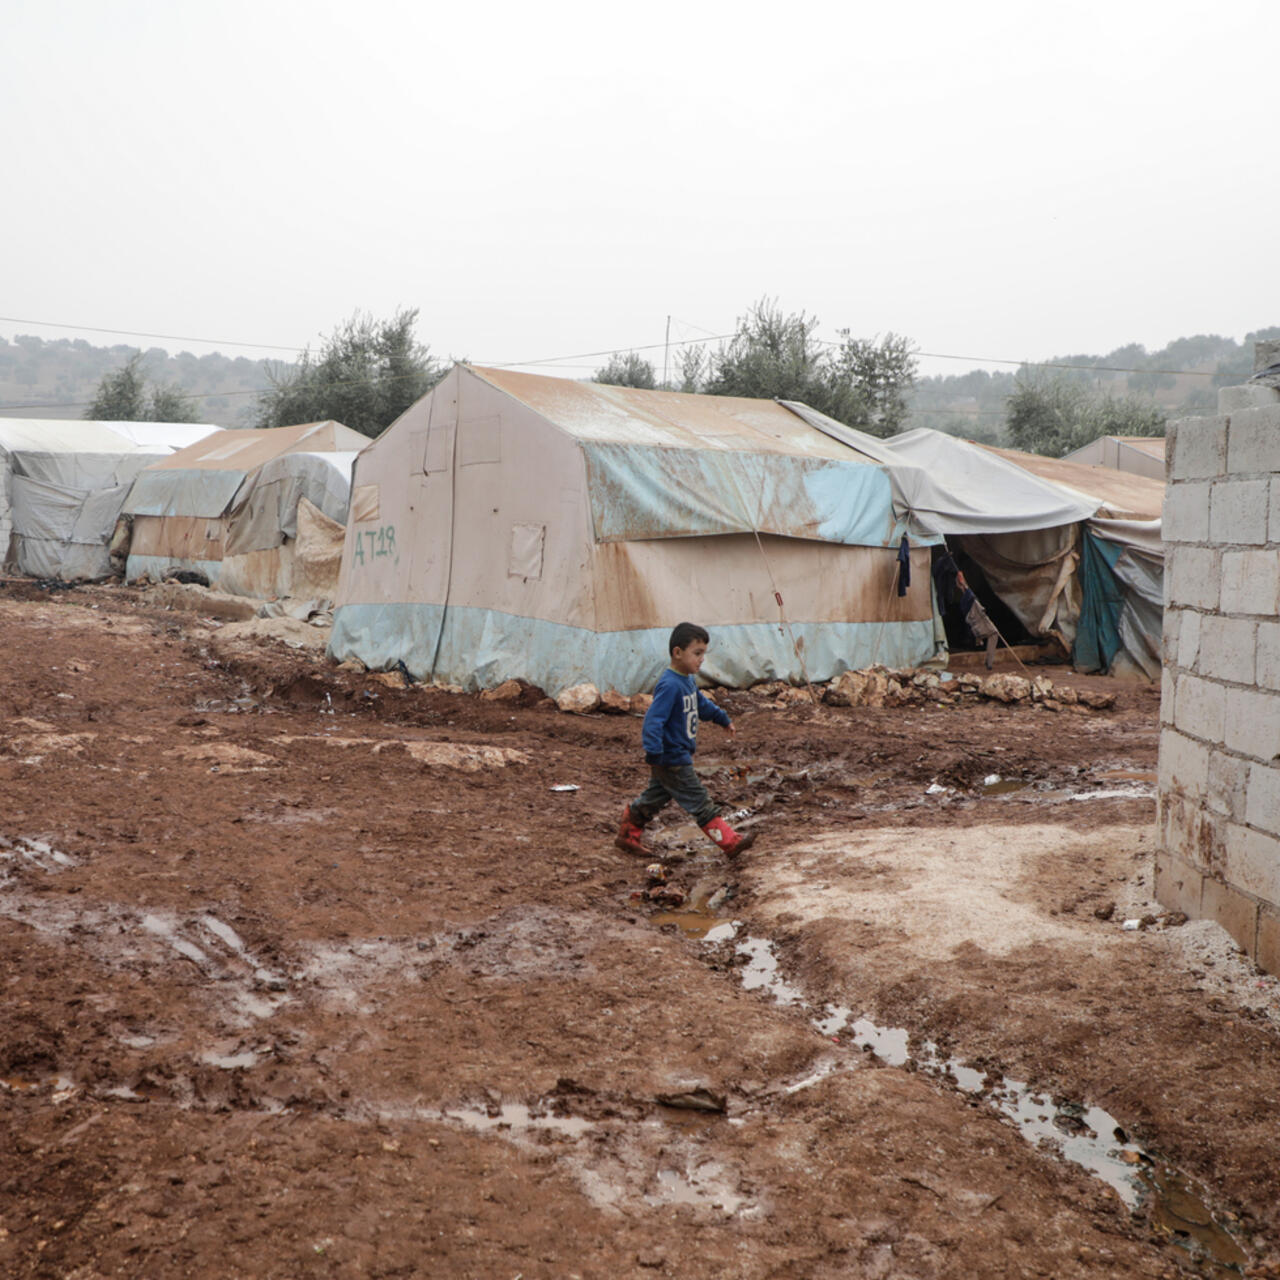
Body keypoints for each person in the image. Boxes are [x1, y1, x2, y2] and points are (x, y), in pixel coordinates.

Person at [615, 622, 756, 859]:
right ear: (677, 653)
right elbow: (653, 720)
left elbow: (701, 705)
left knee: (655, 797)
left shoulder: (687, 681)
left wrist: (721, 718)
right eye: (697, 653)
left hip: (674, 756)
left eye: (703, 654)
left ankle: (627, 835)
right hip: (671, 757)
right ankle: (730, 843)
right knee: (699, 800)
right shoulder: (670, 684)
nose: (701, 659)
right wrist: (654, 751)